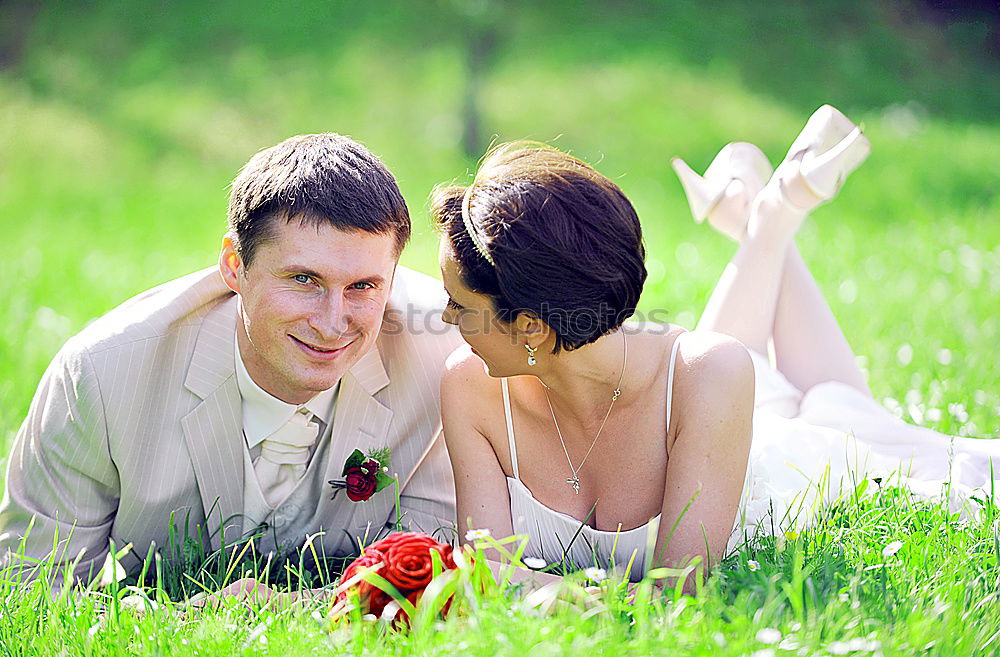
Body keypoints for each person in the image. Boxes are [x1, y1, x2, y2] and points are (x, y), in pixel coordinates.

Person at [435, 106, 1000, 583]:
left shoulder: (707, 374)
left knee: (837, 411)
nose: (444, 317)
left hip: (783, 469)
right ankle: (768, 210)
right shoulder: (469, 386)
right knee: (731, 367)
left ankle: (772, 212)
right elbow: (487, 574)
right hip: (703, 407)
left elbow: (681, 593)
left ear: (532, 326)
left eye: (460, 306)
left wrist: (546, 595)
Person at [0, 133, 461, 587]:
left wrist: (301, 609)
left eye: (363, 286)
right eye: (303, 279)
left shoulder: (445, 356)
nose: (331, 322)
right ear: (233, 265)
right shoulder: (101, 374)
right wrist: (183, 619)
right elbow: (33, 583)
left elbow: (441, 573)